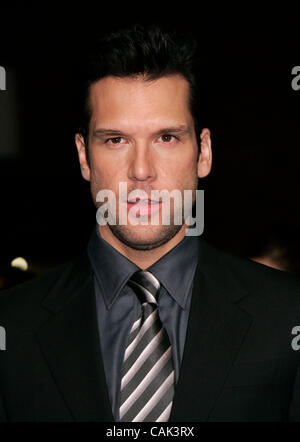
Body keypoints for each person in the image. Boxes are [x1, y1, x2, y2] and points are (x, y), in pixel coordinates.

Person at [1, 23, 300, 423]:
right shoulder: (11, 328)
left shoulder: (288, 314)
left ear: (204, 152)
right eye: (115, 140)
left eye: (167, 138)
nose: (141, 170)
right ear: (84, 157)